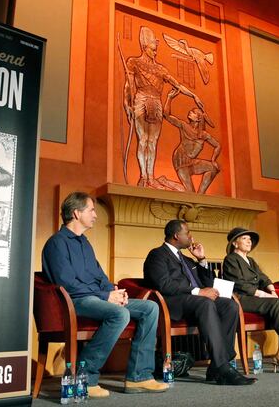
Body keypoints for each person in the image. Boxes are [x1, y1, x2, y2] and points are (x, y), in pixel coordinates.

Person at [42, 192, 169, 397]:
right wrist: (105, 296)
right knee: (119, 314)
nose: (95, 215)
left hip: (96, 297)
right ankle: (85, 376)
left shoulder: (85, 243)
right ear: (76, 213)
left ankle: (139, 377)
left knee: (150, 308)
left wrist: (114, 292)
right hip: (75, 301)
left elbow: (99, 275)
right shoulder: (56, 243)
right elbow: (67, 284)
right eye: (91, 210)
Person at [143, 220, 256, 385]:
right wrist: (198, 291)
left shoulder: (187, 260)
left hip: (196, 302)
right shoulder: (157, 255)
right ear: (176, 235)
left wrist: (202, 259)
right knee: (206, 303)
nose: (191, 236)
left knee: (229, 305)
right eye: (187, 233)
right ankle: (223, 368)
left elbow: (209, 282)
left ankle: (215, 366)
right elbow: (164, 284)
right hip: (173, 303)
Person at [120, 26, 204, 188]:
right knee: (143, 140)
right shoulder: (134, 62)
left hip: (156, 102)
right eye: (153, 49)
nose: (155, 52)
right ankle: (143, 176)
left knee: (153, 141)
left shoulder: (160, 69)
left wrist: (193, 95)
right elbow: (128, 85)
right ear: (145, 48)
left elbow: (177, 84)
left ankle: (151, 176)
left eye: (156, 50)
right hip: (141, 99)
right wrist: (126, 103)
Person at [222, 227, 279, 372]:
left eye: (249, 239)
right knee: (277, 304)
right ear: (235, 243)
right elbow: (238, 284)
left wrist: (272, 290)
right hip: (242, 299)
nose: (249, 241)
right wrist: (263, 294)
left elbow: (263, 278)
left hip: (256, 298)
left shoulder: (250, 260)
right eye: (244, 238)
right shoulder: (230, 259)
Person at [164, 88, 221, 194]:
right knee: (190, 193)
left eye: (193, 112)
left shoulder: (203, 135)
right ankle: (165, 182)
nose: (190, 112)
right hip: (181, 160)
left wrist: (213, 159)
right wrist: (169, 98)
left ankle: (201, 195)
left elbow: (217, 146)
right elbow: (166, 115)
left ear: (198, 119)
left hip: (192, 162)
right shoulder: (184, 125)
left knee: (213, 168)